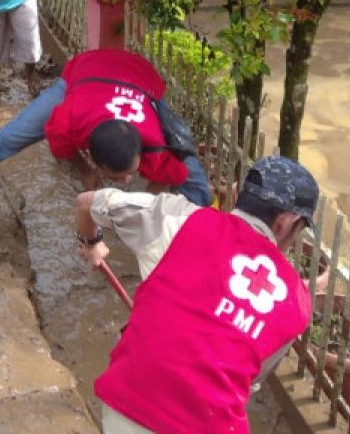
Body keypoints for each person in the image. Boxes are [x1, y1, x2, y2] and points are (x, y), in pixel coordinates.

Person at [75, 156, 319, 434]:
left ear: (238, 194)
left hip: (128, 407)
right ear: (287, 222)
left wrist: (91, 243)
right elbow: (249, 380)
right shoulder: (298, 302)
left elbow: (87, 202)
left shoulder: (179, 218)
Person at [0, 48, 213, 218]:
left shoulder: (156, 145)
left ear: (141, 150)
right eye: (118, 177)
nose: (127, 181)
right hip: (87, 72)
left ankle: (215, 229)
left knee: (195, 180)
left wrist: (143, 207)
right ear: (93, 157)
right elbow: (60, 144)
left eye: (130, 173)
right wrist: (85, 172)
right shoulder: (69, 120)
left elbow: (169, 176)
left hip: (139, 77)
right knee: (9, 139)